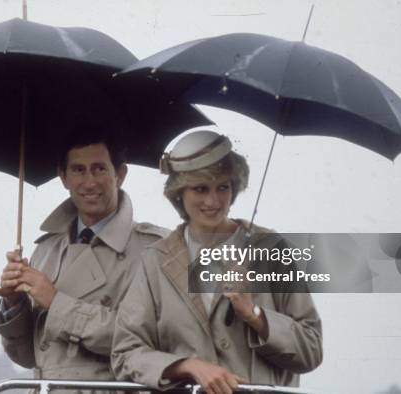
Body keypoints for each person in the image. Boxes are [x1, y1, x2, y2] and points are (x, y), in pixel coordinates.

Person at [111, 130, 323, 394]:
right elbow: (125, 354)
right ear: (179, 193)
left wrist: (254, 315)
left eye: (223, 187)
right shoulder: (154, 261)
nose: (213, 201)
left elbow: (312, 350)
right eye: (200, 188)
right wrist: (188, 366)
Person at [0, 122, 167, 382]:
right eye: (78, 170)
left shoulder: (155, 248)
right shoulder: (46, 249)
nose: (89, 182)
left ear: (120, 174)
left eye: (99, 169)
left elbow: (152, 341)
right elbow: (29, 357)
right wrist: (13, 303)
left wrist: (55, 302)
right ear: (63, 176)